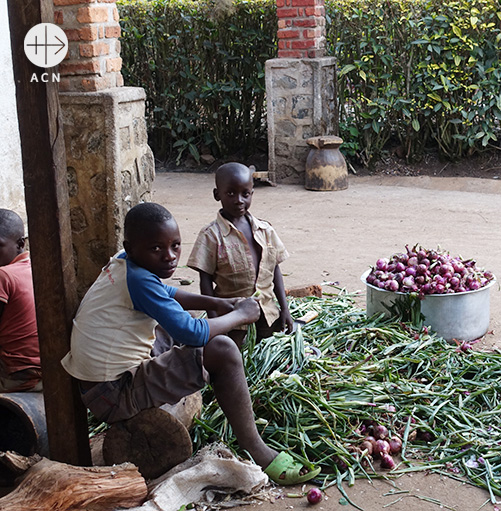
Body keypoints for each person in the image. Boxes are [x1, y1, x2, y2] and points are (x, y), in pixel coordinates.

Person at [61, 202, 319, 483]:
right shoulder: (139, 280)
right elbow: (193, 334)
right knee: (223, 350)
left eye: (175, 245)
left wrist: (218, 302)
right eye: (156, 249)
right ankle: (258, 450)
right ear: (132, 246)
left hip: (98, 383)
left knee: (191, 321)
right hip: (113, 393)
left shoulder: (126, 261)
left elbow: (167, 293)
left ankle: (210, 382)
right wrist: (240, 314)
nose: (169, 256)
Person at [188, 162, 292, 346]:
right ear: (217, 194)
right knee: (237, 360)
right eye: (230, 193)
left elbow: (274, 269)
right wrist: (214, 323)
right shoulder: (211, 236)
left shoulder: (265, 229)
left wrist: (285, 309)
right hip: (232, 319)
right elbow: (205, 282)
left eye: (245, 194)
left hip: (268, 314)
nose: (239, 200)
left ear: (252, 193)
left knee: (267, 358)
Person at [0, 209, 41, 393]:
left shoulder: (4, 275)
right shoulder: (36, 268)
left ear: (20, 244)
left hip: (16, 375)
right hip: (43, 368)